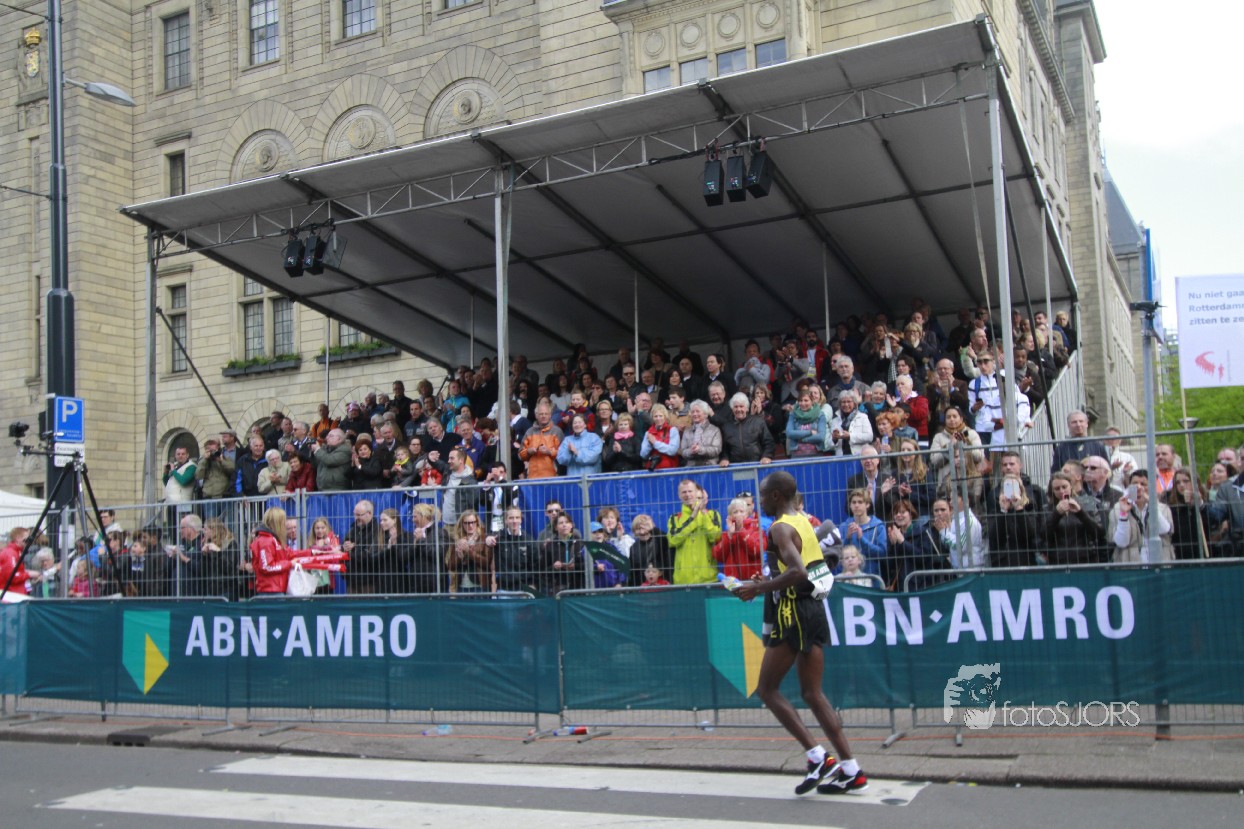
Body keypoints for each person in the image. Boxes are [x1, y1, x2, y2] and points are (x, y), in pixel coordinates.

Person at [733, 471, 865, 795]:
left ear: (776, 495)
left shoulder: (779, 527)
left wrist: (758, 588)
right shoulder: (803, 521)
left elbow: (797, 571)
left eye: (762, 496)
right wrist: (768, 579)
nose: (759, 502)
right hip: (814, 610)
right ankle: (851, 770)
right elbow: (797, 567)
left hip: (793, 613)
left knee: (767, 690)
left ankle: (818, 758)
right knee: (812, 694)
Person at [1109, 470, 1174, 563]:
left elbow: (1164, 530)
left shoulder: (1162, 508)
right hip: (1130, 563)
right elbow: (1121, 542)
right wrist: (1124, 514)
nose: (1138, 487)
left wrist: (1152, 505)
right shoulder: (1118, 508)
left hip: (1159, 561)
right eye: (1134, 483)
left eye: (1143, 484)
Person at [1044, 472, 1106, 565]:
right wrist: (1056, 514)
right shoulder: (1047, 509)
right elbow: (1043, 534)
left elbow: (1099, 532)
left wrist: (1080, 513)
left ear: (1071, 487)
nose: (1061, 491)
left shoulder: (1087, 503)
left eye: (1064, 487)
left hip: (1085, 558)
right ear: (1052, 491)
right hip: (1058, 560)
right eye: (1057, 488)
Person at [667, 480, 723, 584]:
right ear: (679, 495)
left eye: (690, 491)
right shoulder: (674, 518)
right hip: (683, 580)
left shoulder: (712, 514)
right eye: (684, 492)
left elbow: (715, 537)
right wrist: (693, 518)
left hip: (708, 579)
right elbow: (673, 540)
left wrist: (702, 513)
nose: (687, 495)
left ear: (696, 493)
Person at [712, 497, 763, 580]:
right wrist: (729, 536)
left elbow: (756, 550)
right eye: (735, 512)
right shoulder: (727, 533)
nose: (739, 514)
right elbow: (718, 556)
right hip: (732, 581)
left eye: (741, 511)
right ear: (731, 516)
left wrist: (741, 531)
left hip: (752, 579)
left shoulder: (756, 529)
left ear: (747, 514)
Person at [718, 393, 775, 466]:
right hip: (735, 467)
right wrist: (724, 458)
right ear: (732, 409)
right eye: (736, 407)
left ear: (747, 408)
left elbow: (769, 442)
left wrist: (767, 456)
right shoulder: (726, 426)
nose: (738, 409)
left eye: (741, 406)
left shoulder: (758, 422)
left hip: (757, 465)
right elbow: (724, 448)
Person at [251, 507, 298, 595]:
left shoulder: (273, 539)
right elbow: (267, 567)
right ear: (277, 523)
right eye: (283, 521)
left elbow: (291, 553)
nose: (285, 525)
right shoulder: (266, 541)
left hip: (275, 590)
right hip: (270, 592)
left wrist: (312, 552)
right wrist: (289, 564)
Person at [342, 499, 382, 594]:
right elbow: (344, 548)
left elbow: (370, 555)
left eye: (359, 515)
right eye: (355, 514)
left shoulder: (377, 531)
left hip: (369, 580)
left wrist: (350, 553)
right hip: (352, 578)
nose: (356, 518)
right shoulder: (353, 529)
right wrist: (344, 547)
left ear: (369, 513)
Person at [543, 510, 586, 593]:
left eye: (567, 522)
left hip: (578, 587)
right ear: (556, 527)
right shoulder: (550, 545)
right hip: (558, 588)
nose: (564, 525)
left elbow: (587, 565)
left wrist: (575, 566)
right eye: (561, 523)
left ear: (571, 525)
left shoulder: (580, 543)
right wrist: (554, 567)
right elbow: (542, 569)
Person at [519, 400, 563, 479]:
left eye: (546, 414)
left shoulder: (557, 431)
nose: (543, 416)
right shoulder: (529, 432)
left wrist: (550, 452)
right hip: (533, 477)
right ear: (536, 416)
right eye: (541, 414)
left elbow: (563, 454)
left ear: (550, 415)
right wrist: (528, 451)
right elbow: (520, 455)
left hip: (552, 477)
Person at [628, 514, 671, 585]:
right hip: (642, 587)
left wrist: (653, 529)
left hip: (662, 585)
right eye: (638, 529)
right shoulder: (633, 548)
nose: (642, 532)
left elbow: (666, 540)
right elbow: (633, 572)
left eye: (644, 528)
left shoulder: (659, 541)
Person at [680, 400, 723, 466]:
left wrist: (700, 449)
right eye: (693, 412)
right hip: (692, 468)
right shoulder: (687, 431)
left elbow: (717, 449)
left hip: (709, 467)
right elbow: (683, 452)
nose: (694, 414)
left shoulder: (715, 430)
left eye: (697, 411)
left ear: (705, 414)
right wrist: (691, 451)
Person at [786, 389, 827, 458]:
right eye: (800, 400)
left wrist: (801, 439)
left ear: (812, 401)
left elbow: (821, 437)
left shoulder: (820, 414)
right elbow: (789, 433)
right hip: (797, 455)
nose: (803, 403)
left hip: (816, 455)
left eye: (806, 400)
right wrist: (809, 432)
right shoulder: (793, 414)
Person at [640, 404, 681, 470]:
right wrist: (649, 445)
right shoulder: (648, 433)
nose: (658, 418)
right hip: (652, 469)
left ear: (665, 417)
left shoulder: (672, 430)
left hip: (670, 469)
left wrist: (655, 443)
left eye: (660, 416)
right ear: (652, 418)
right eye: (655, 416)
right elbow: (643, 454)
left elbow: (672, 451)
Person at [0, 527, 31, 598]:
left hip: (14, 594)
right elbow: (12, 576)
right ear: (18, 538)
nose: (29, 541)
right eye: (27, 539)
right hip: (12, 595)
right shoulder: (11, 554)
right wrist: (29, 574)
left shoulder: (16, 552)